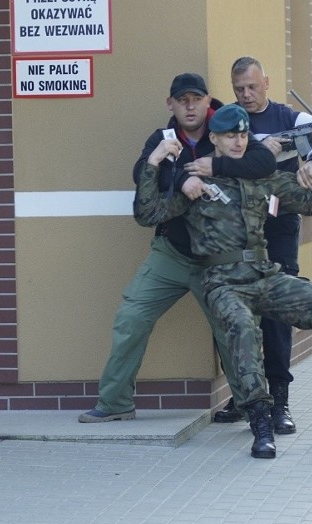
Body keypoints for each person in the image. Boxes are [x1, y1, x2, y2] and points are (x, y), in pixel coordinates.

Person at [134, 104, 312, 458]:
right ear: (215, 139)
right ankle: (260, 422)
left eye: (242, 135)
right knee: (242, 328)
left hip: (264, 276)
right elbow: (147, 213)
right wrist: (154, 163)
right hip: (221, 282)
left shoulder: (261, 177)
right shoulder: (196, 178)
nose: (238, 142)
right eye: (230, 136)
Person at [78, 73, 276, 423]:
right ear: (170, 104)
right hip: (170, 253)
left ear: (207, 101)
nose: (189, 105)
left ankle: (253, 408)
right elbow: (142, 172)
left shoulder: (231, 126)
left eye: (195, 99)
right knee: (131, 318)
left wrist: (213, 165)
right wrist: (181, 177)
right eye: (181, 99)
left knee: (233, 331)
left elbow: (263, 163)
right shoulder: (165, 138)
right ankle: (114, 403)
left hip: (218, 261)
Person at [204, 56, 312, 434]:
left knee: (276, 314)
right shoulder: (229, 122)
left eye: (252, 87)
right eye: (239, 89)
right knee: (233, 314)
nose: (246, 95)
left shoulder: (290, 118)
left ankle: (280, 402)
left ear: (266, 82)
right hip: (234, 230)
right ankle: (244, 397)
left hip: (280, 224)